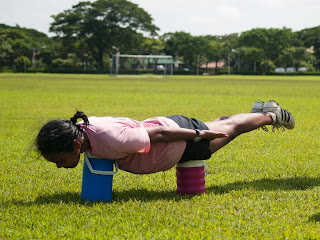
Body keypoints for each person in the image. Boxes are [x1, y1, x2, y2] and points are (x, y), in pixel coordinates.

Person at [35, 100, 294, 174]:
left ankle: (272, 115)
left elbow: (158, 134)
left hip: (178, 144)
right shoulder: (85, 128)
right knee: (223, 124)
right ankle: (262, 111)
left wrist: (197, 135)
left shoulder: (111, 140)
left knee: (232, 129)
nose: (58, 165)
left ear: (76, 145)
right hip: (173, 132)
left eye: (58, 159)